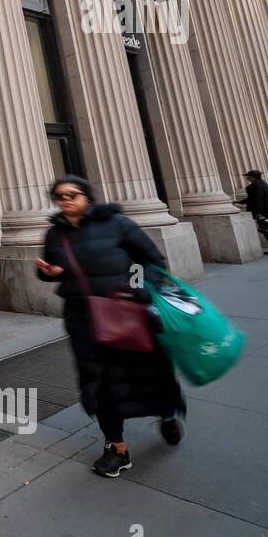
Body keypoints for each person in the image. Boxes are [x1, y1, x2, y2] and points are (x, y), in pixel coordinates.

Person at [35, 175, 185, 478]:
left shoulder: (117, 224)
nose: (66, 200)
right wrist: (51, 273)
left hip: (128, 313)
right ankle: (115, 448)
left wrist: (139, 292)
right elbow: (51, 271)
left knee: (148, 374)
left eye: (72, 194)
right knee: (99, 382)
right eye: (60, 195)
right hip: (84, 319)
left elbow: (153, 261)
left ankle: (167, 414)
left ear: (87, 197)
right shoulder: (55, 235)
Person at [237, 169, 268, 255]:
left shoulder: (256, 185)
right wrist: (239, 202)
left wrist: (259, 212)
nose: (247, 178)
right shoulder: (261, 183)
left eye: (248, 176)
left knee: (263, 228)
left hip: (264, 211)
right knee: (265, 228)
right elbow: (253, 198)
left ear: (252, 177)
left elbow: (259, 199)